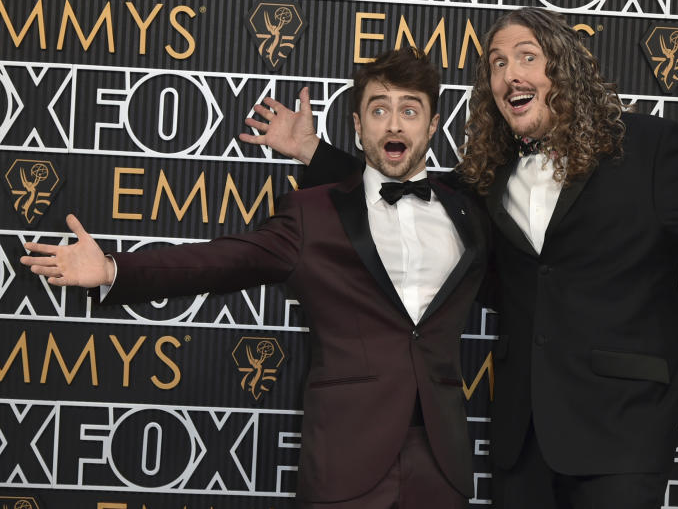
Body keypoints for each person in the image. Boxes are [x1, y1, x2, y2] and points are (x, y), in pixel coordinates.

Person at [240, 8, 678, 509]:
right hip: (521, 433)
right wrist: (314, 154)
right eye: (495, 63)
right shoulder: (485, 180)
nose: (509, 72)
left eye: (526, 57)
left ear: (562, 71)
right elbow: (408, 192)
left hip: (621, 427)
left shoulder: (647, 150)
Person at [21, 48, 490, 509]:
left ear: (431, 125)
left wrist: (311, 149)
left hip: (441, 462)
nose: (393, 124)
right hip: (347, 460)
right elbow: (226, 260)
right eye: (379, 109)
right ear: (356, 124)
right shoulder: (314, 215)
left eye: (410, 110)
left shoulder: (468, 208)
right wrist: (112, 269)